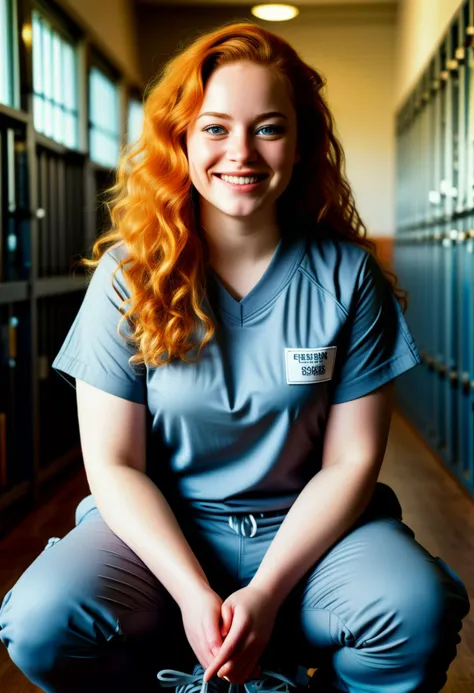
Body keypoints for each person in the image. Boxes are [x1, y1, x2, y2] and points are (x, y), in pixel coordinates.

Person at [0, 21, 470, 693]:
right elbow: (114, 464)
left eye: (268, 128)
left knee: (415, 611)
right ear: (181, 140)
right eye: (215, 128)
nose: (241, 151)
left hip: (312, 537)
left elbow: (352, 461)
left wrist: (270, 588)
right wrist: (195, 593)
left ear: (301, 143)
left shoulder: (348, 277)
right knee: (42, 620)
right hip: (162, 534)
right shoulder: (126, 277)